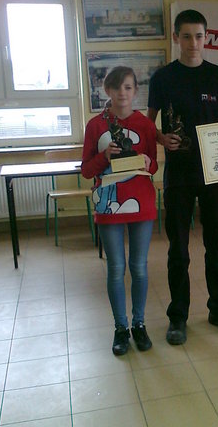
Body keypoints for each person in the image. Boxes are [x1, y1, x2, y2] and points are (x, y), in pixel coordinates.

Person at [148, 9, 218, 345]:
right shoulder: (163, 78)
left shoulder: (217, 76)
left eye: (199, 36)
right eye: (187, 36)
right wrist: (161, 138)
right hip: (178, 174)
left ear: (207, 38)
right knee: (178, 248)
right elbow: (148, 122)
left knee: (215, 245)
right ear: (177, 37)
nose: (194, 42)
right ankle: (178, 317)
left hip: (214, 173)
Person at [82, 66, 158, 356]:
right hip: (109, 204)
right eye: (116, 88)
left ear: (136, 91)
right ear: (107, 91)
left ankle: (139, 324)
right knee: (116, 268)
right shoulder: (95, 125)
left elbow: (153, 165)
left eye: (128, 87)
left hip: (141, 203)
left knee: (139, 266)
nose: (122, 93)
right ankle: (120, 327)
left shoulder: (145, 125)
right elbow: (87, 171)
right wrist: (104, 156)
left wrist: (146, 161)